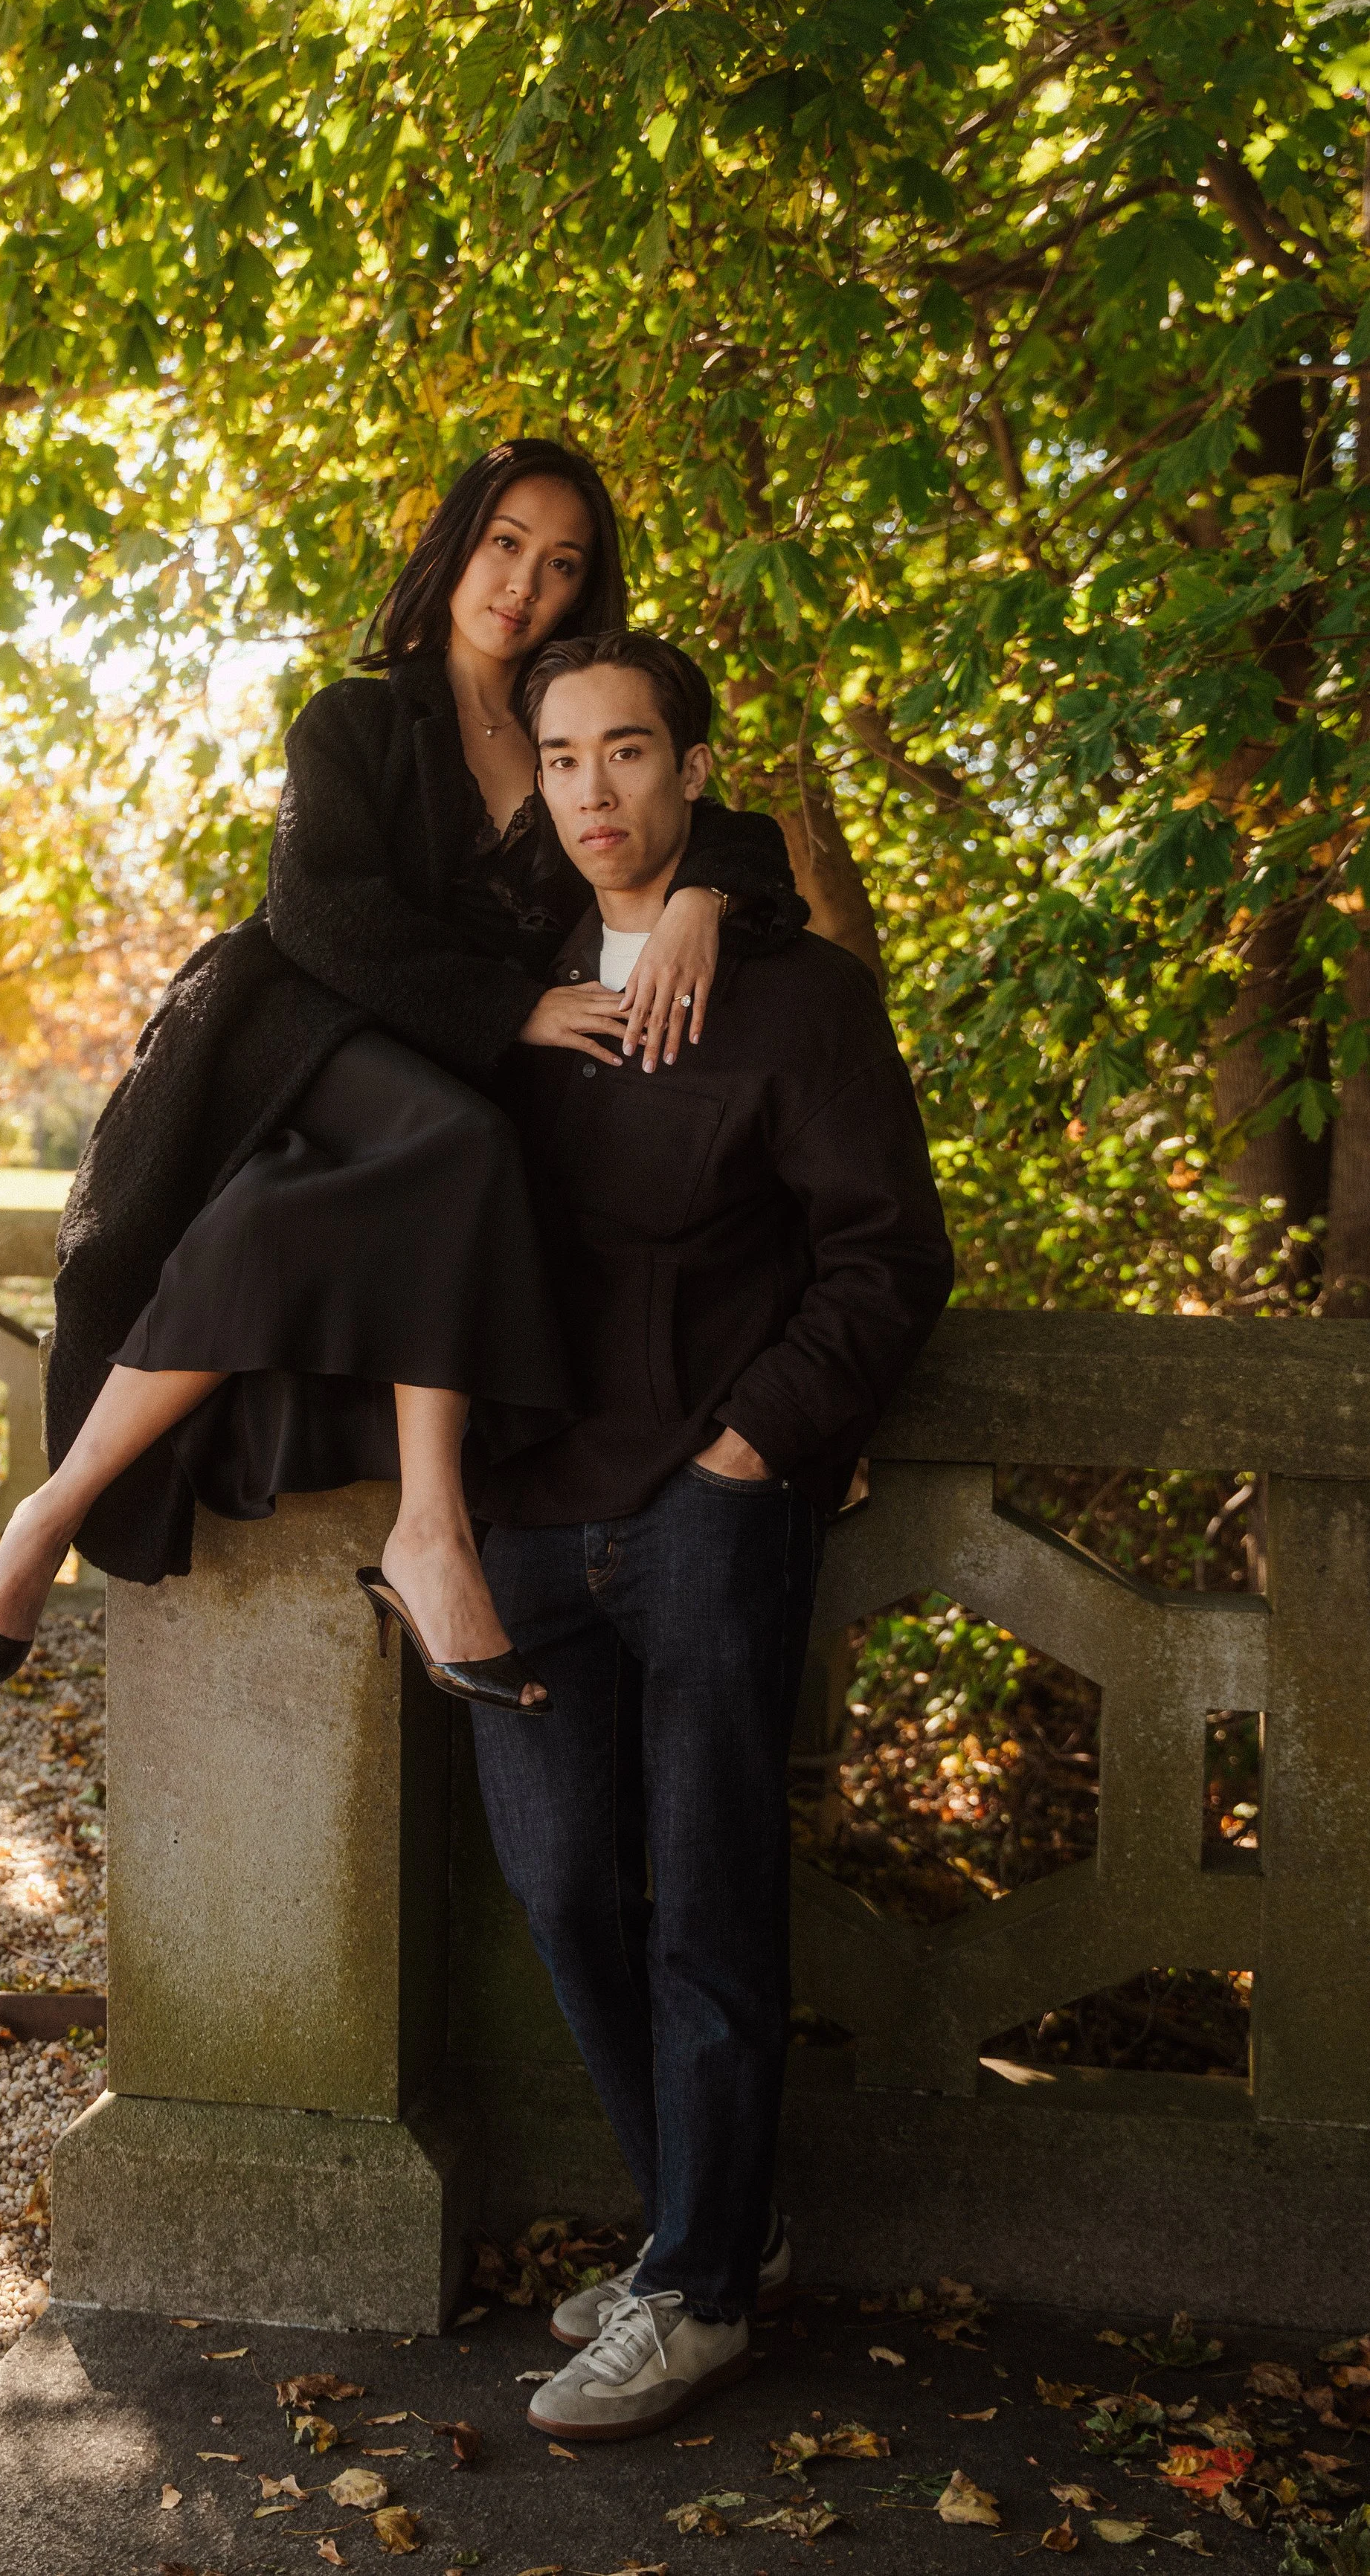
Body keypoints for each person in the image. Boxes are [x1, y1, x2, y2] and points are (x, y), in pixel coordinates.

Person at [0, 442, 800, 1704]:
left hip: (440, 1078)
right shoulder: (355, 720)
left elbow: (715, 819)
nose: (525, 585)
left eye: (563, 564)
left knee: (281, 1215)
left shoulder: (569, 725)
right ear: (457, 545)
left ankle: (52, 1510)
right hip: (299, 1035)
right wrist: (513, 1008)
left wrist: (702, 899)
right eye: (506, 544)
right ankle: (429, 1532)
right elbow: (318, 912)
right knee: (463, 1143)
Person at [468, 629, 954, 2441]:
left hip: (705, 1517)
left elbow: (885, 1258)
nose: (593, 790)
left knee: (710, 1900)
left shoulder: (797, 1000)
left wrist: (752, 1451)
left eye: (627, 751)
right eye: (562, 757)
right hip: (521, 1514)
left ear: (687, 770)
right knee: (563, 1889)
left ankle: (690, 2294)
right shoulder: (502, 982)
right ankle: (712, 2226)